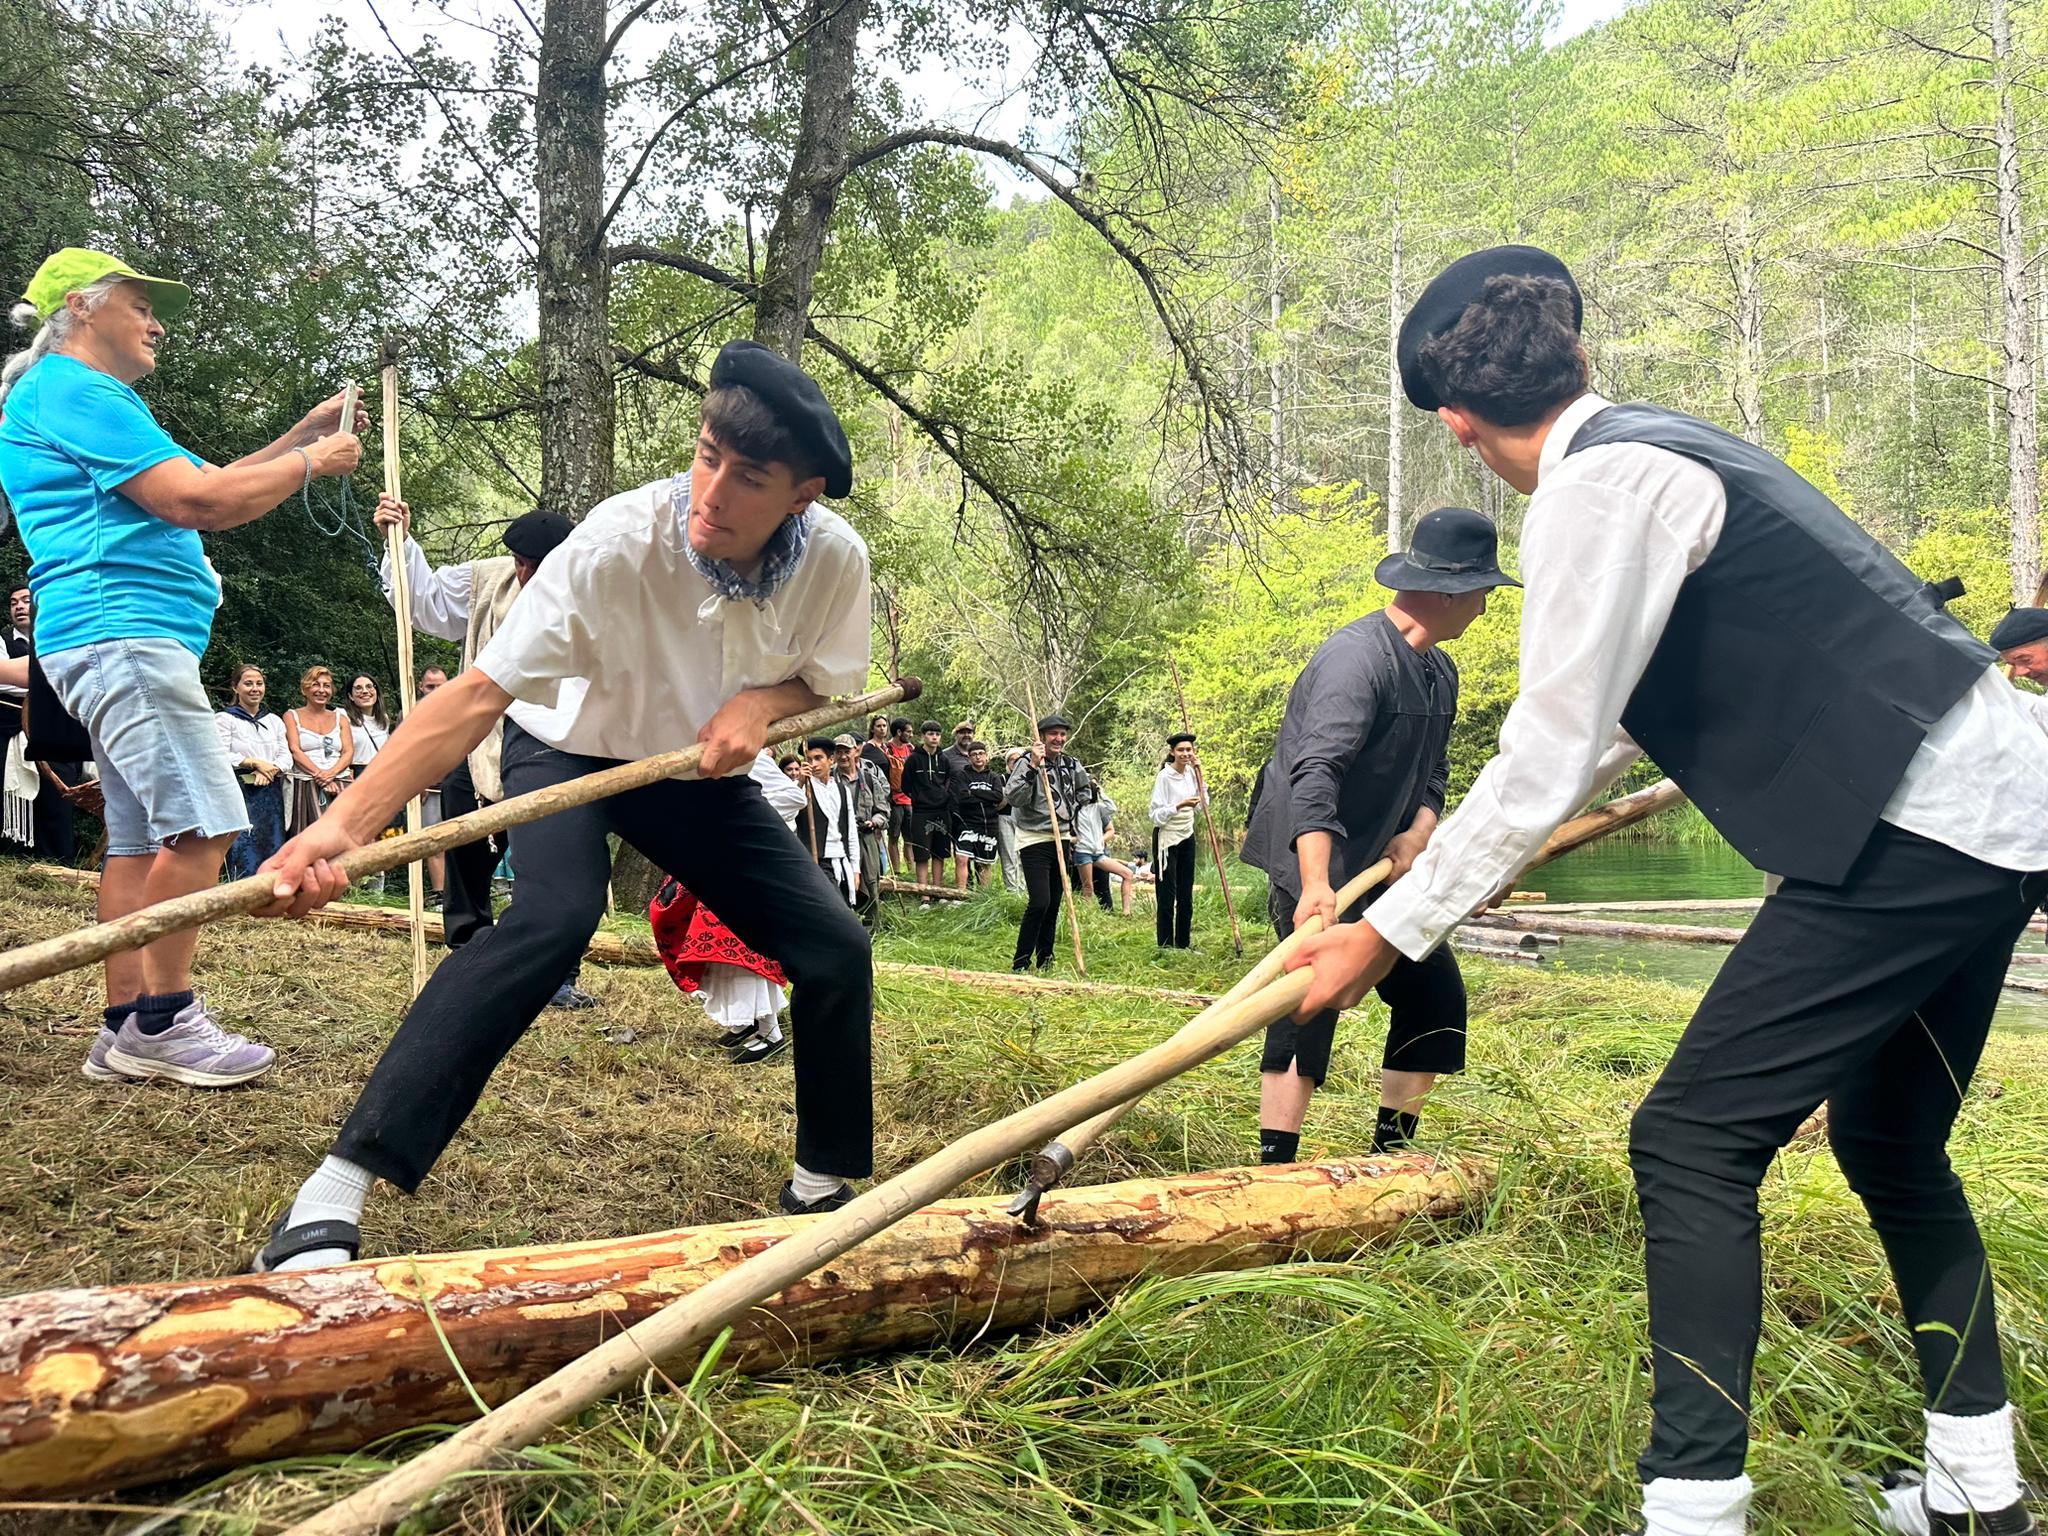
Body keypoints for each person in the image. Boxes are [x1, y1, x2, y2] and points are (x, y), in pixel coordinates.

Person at [1288, 245, 2048, 1536]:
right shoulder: (1661, 450)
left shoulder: (1594, 491)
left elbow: (1546, 750)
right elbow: (1599, 724)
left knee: (1688, 1143)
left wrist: (1379, 936)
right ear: (1580, 358)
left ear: (1458, 426)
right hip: (2002, 809)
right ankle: (1981, 1498)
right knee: (1891, 1140)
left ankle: (1694, 1513)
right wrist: (1439, 856)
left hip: (1914, 822)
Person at [251, 337, 876, 1271]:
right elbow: (471, 699)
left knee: (836, 949)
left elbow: (822, 683)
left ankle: (824, 1181)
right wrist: (340, 829)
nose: (711, 495)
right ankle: (334, 1190)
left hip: (686, 769)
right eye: (707, 457)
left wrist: (761, 703)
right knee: (553, 917)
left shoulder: (835, 561)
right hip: (566, 744)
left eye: (748, 478)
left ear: (802, 495)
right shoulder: (620, 541)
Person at [0, 248, 360, 1087]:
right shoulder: (76, 390)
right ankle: (165, 1022)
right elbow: (198, 504)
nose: (157, 322)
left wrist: (302, 437)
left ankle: (124, 1024)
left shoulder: (77, 398)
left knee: (137, 841)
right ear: (84, 308)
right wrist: (314, 464)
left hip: (107, 634)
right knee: (206, 822)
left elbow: (212, 482)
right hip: (122, 632)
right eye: (140, 304)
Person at [1245, 506, 1513, 1165]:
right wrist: (1315, 883)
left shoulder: (1438, 670)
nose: (1484, 606)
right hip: (1318, 859)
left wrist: (1417, 834)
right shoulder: (1355, 661)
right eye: (1481, 591)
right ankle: (1276, 1168)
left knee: (1435, 996)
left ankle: (1389, 1162)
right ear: (1446, 592)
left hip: (1386, 866)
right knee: (1309, 1003)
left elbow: (1435, 772)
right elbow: (1316, 775)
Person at [375, 494, 574, 953]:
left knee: (544, 853)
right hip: (483, 737)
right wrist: (400, 541)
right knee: (463, 841)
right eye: (521, 562)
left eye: (535, 565)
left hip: (550, 744)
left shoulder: (583, 593)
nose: (525, 574)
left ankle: (553, 963)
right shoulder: (490, 580)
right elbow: (424, 602)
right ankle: (466, 944)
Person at [650, 751, 808, 1065]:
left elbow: (793, 797)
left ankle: (770, 1033)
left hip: (750, 865)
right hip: (717, 865)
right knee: (719, 950)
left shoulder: (748, 755)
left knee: (744, 949)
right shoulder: (695, 754)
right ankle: (744, 1023)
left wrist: (746, 822)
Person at [0, 580, 87, 863]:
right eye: (14, 603)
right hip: (9, 725)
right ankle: (13, 858)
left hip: (54, 724)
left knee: (58, 792)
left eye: (26, 600)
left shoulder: (58, 638)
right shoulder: (2, 641)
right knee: (10, 792)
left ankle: (56, 860)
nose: (20, 607)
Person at [1004, 714, 1093, 971]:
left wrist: (1070, 808)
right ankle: (1021, 962)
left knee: (1054, 902)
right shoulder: (1027, 762)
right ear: (1042, 737)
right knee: (1040, 901)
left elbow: (1085, 792)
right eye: (1053, 734)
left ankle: (1046, 959)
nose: (1059, 738)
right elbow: (1013, 797)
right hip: (1033, 838)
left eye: (1062, 734)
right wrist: (1033, 765)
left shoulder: (1071, 764)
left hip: (1062, 836)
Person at [214, 664, 288, 882]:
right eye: (248, 683)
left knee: (271, 839)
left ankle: (270, 888)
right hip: (240, 790)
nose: (255, 688)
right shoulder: (225, 719)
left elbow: (286, 757)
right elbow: (219, 754)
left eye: (259, 683)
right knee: (242, 841)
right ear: (235, 687)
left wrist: (269, 770)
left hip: (270, 790)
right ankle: (239, 890)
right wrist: (254, 763)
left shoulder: (273, 721)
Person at [1149, 734, 1206, 947]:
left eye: (1189, 750)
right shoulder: (1165, 777)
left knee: (1185, 891)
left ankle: (1183, 943)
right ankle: (1165, 945)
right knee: (1167, 894)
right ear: (1173, 752)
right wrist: (1180, 805)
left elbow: (1202, 806)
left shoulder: (1192, 773)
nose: (1185, 754)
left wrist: (1201, 779)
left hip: (1187, 835)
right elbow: (1155, 815)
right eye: (1181, 750)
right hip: (1167, 838)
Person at [282, 665, 353, 833]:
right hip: (307, 782)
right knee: (313, 835)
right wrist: (320, 775)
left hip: (340, 780)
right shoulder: (291, 716)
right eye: (316, 684)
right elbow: (294, 749)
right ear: (305, 689)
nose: (322, 690)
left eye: (326, 686)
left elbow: (348, 751)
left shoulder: (340, 718)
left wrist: (331, 774)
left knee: (344, 834)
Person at [796, 735, 860, 908]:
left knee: (846, 907)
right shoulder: (801, 788)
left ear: (831, 759)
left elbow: (851, 832)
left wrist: (855, 868)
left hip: (842, 858)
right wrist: (800, 783)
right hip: (817, 860)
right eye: (809, 759)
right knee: (834, 909)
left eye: (818, 758)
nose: (814, 764)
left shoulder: (842, 790)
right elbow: (788, 813)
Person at [836, 732, 890, 925]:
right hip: (840, 841)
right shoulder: (830, 781)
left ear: (855, 751)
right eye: (838, 752)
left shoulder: (869, 779)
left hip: (867, 839)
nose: (843, 756)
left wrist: (874, 822)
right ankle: (846, 927)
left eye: (846, 751)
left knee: (871, 883)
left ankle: (872, 927)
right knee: (842, 883)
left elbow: (883, 811)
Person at [1072, 783, 1137, 914]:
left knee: (1128, 874)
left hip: (1098, 853)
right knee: (1088, 887)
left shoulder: (1098, 808)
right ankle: (1087, 917)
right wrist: (1074, 839)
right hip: (1083, 852)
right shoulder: (1074, 810)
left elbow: (1112, 808)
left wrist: (1101, 792)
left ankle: (1126, 912)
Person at [952, 740, 1005, 890]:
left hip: (989, 824)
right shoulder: (963, 775)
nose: (978, 757)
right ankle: (960, 894)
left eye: (981, 754)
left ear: (986, 756)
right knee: (962, 857)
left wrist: (973, 792)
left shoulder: (994, 777)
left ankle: (983, 897)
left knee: (984, 862)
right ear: (969, 757)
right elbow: (962, 798)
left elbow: (998, 797)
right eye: (974, 754)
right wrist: (986, 796)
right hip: (967, 823)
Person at [416, 665, 448, 903]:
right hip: (428, 787)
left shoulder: (461, 709)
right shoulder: (411, 711)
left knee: (466, 839)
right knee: (434, 842)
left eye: (441, 686)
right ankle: (440, 895)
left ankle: (463, 893)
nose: (436, 691)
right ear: (421, 687)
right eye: (430, 686)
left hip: (458, 784)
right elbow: (407, 752)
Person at [860, 712, 895, 874]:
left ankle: (885, 872)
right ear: (872, 729)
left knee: (883, 834)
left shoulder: (887, 747)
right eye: (878, 726)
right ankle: (879, 873)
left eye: (884, 725)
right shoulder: (867, 749)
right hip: (873, 796)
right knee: (876, 835)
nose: (882, 729)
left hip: (888, 795)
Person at [885, 716, 914, 874]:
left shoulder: (911, 749)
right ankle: (896, 872)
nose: (911, 735)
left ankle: (912, 871)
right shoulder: (887, 749)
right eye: (908, 732)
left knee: (910, 839)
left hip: (910, 800)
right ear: (898, 732)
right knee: (894, 837)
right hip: (895, 801)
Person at [996, 745, 1026, 892]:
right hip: (1006, 817)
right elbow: (1000, 803)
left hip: (1025, 819)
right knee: (1009, 854)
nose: (1015, 763)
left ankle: (1024, 888)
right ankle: (1012, 890)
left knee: (1024, 856)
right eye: (1011, 760)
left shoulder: (1029, 776)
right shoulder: (1001, 778)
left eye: (1018, 760)